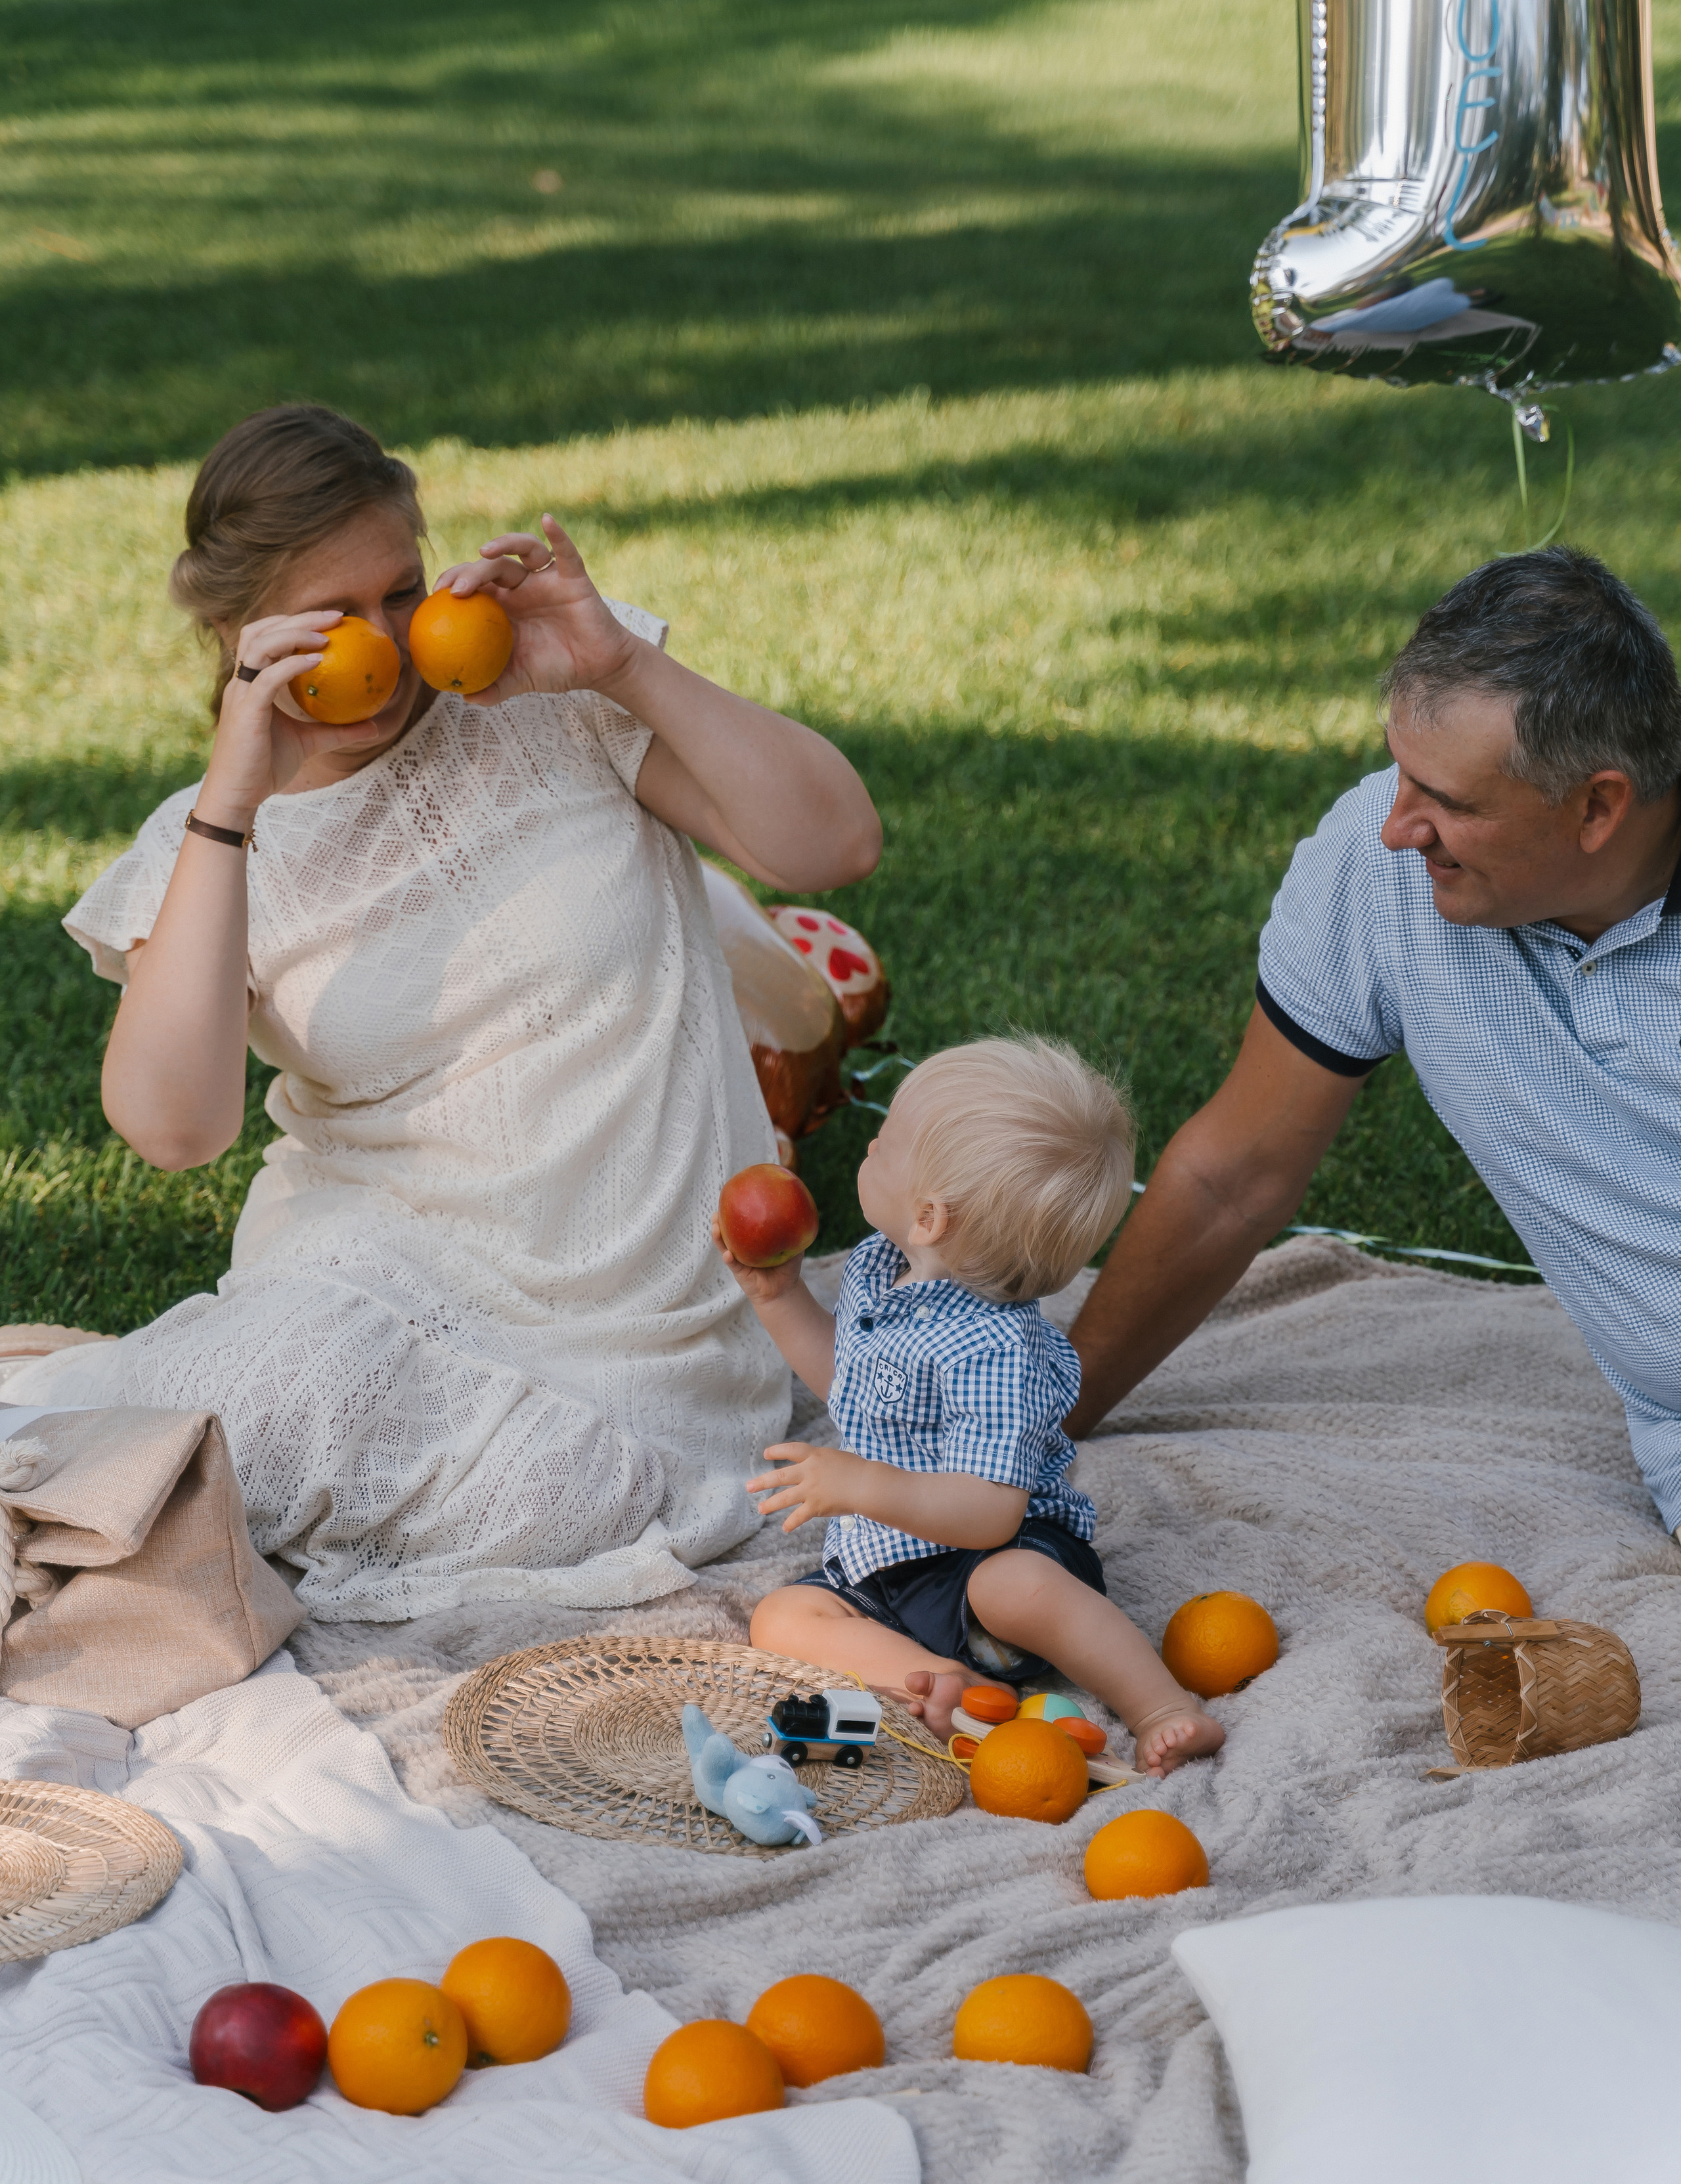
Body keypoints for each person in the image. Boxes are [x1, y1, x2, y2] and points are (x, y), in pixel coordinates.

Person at [0, 403, 882, 1619]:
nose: (381, 644)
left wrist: (623, 664)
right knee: (275, 1393)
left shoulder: (555, 697)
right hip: (361, 1290)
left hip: (641, 1344)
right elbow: (171, 1129)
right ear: (233, 629)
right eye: (330, 617)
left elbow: (833, 843)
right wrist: (232, 802)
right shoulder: (208, 839)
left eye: (398, 595)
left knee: (574, 1488)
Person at [1066, 547, 1681, 1542]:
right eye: (1401, 774)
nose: (1399, 828)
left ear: (1599, 807)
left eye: (1452, 803)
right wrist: (1047, 1415)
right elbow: (1236, 1173)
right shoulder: (1382, 867)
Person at [716, 1037, 1225, 1775]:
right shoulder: (879, 1266)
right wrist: (779, 1294)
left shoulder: (993, 1351)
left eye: (883, 1143)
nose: (869, 1143)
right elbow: (855, 1391)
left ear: (928, 1217)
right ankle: (949, 1682)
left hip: (994, 1561)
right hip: (887, 1571)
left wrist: (858, 1484)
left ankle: (1162, 1707)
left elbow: (990, 1511)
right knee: (782, 1618)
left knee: (1014, 1586)